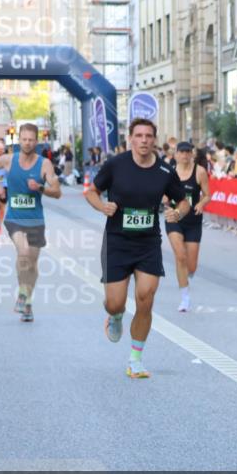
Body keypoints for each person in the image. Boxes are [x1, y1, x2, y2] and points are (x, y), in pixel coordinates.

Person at [85, 118, 190, 378]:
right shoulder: (116, 165)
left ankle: (135, 360)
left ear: (154, 139)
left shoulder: (165, 171)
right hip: (117, 242)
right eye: (139, 135)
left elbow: (183, 201)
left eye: (148, 136)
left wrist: (178, 213)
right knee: (114, 303)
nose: (144, 140)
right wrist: (102, 206)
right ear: (130, 138)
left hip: (148, 244)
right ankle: (115, 316)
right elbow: (91, 192)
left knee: (145, 299)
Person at [0, 124, 63, 322]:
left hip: (36, 219)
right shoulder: (9, 160)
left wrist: (40, 188)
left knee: (32, 264)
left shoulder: (44, 164)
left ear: (36, 141)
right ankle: (22, 293)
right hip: (14, 218)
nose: (27, 143)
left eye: (31, 140)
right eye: (24, 139)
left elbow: (57, 192)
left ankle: (27, 301)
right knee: (24, 252)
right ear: (19, 140)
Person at [165, 141, 210, 312]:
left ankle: (187, 274)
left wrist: (201, 203)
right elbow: (161, 193)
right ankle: (185, 298)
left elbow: (207, 195)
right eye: (181, 152)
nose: (184, 155)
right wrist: (164, 199)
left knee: (191, 266)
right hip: (174, 219)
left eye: (187, 152)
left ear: (192, 154)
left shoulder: (199, 171)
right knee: (180, 256)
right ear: (175, 154)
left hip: (193, 221)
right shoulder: (169, 172)